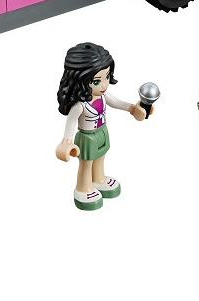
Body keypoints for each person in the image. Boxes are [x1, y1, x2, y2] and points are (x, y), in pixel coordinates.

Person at [55, 42, 150, 211]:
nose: (104, 85)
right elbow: (70, 122)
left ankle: (98, 179)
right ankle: (83, 188)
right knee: (86, 163)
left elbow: (116, 102)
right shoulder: (80, 105)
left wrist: (132, 109)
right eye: (97, 81)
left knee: (100, 157)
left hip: (102, 132)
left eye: (107, 77)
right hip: (87, 137)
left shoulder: (103, 95)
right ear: (81, 81)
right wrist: (66, 141)